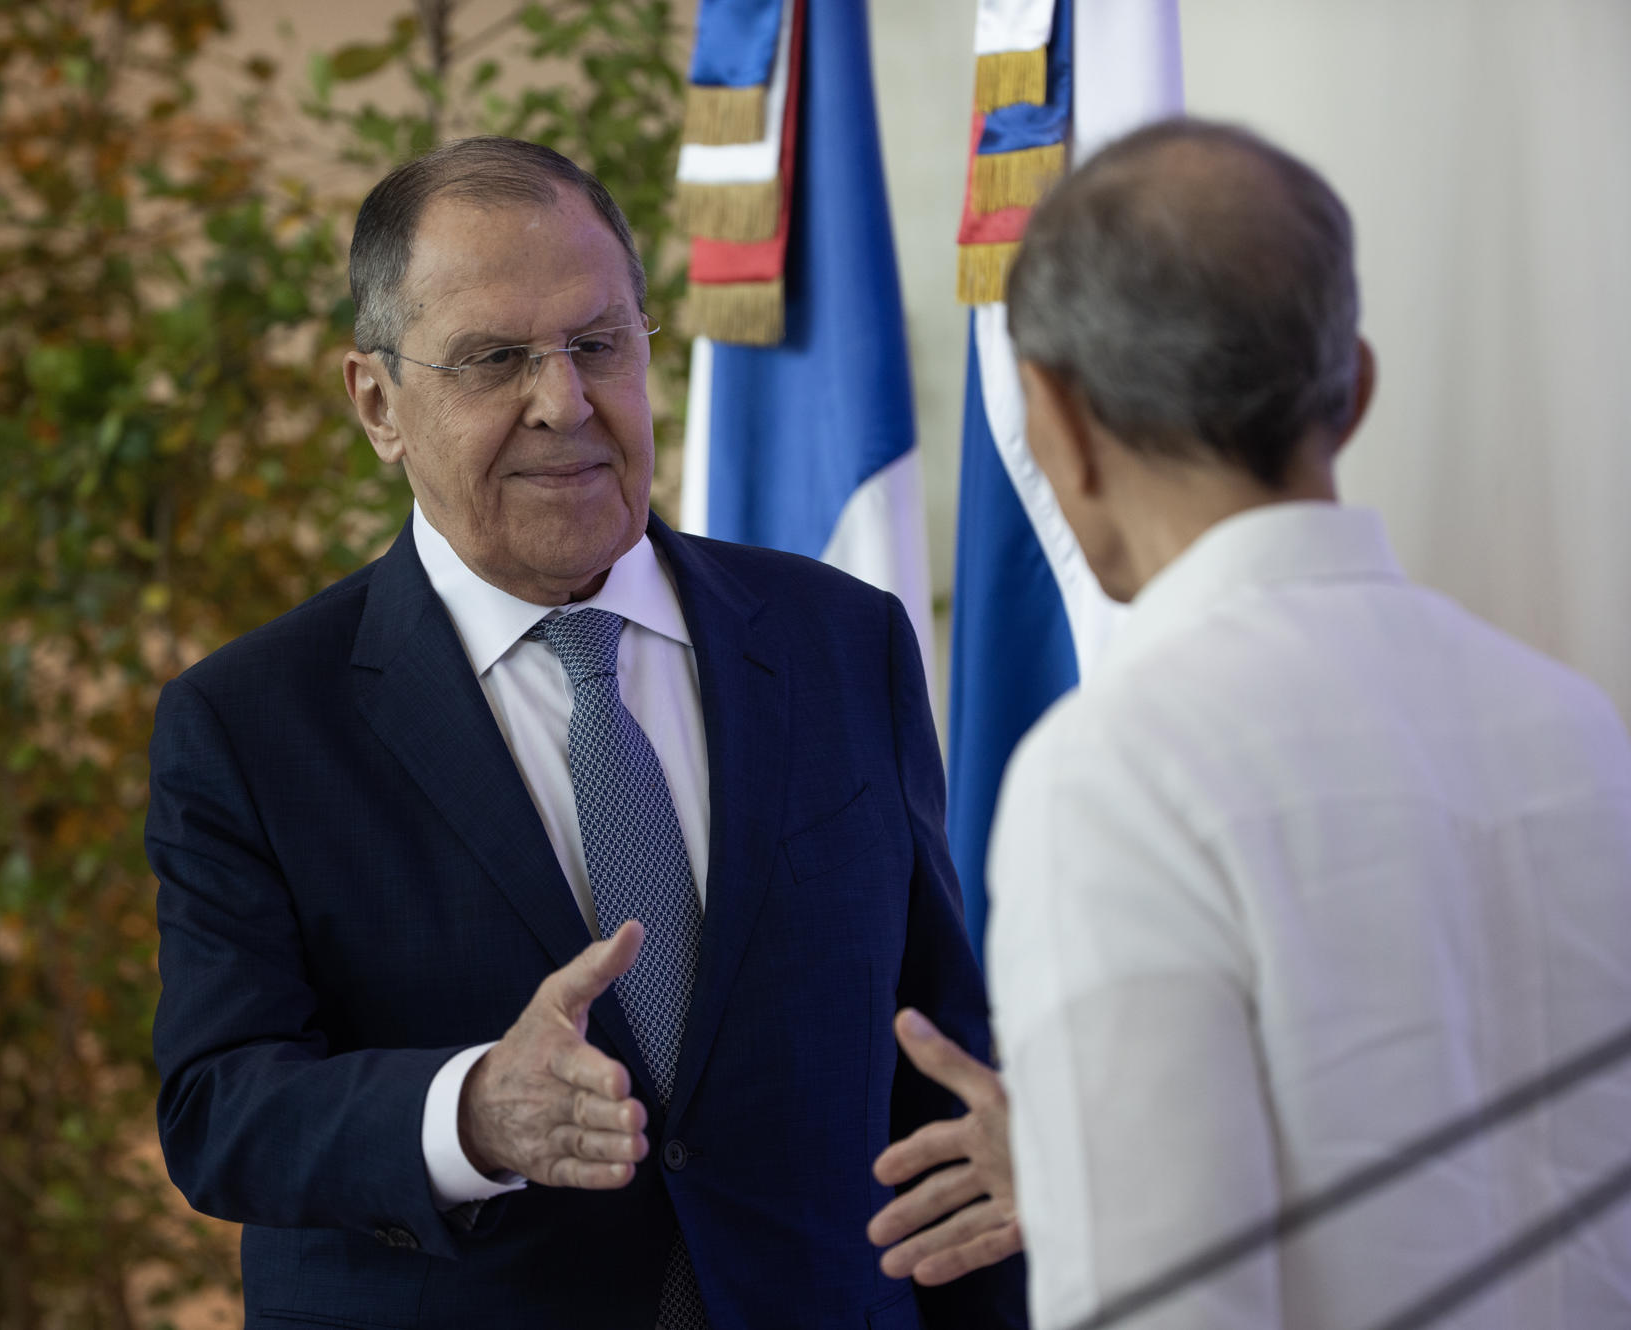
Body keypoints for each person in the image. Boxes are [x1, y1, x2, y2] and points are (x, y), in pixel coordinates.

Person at [147, 136, 1025, 1330]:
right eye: (494, 359)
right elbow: (220, 1106)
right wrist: (473, 1113)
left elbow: (941, 1072)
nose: (564, 403)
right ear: (378, 403)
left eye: (599, 344)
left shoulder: (840, 640)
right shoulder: (252, 721)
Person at [867, 118, 1631, 1329]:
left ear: (1054, 418)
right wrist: (1083, 1172)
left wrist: (1101, 1193)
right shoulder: (1575, 726)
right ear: (1354, 388)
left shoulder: (1113, 774)